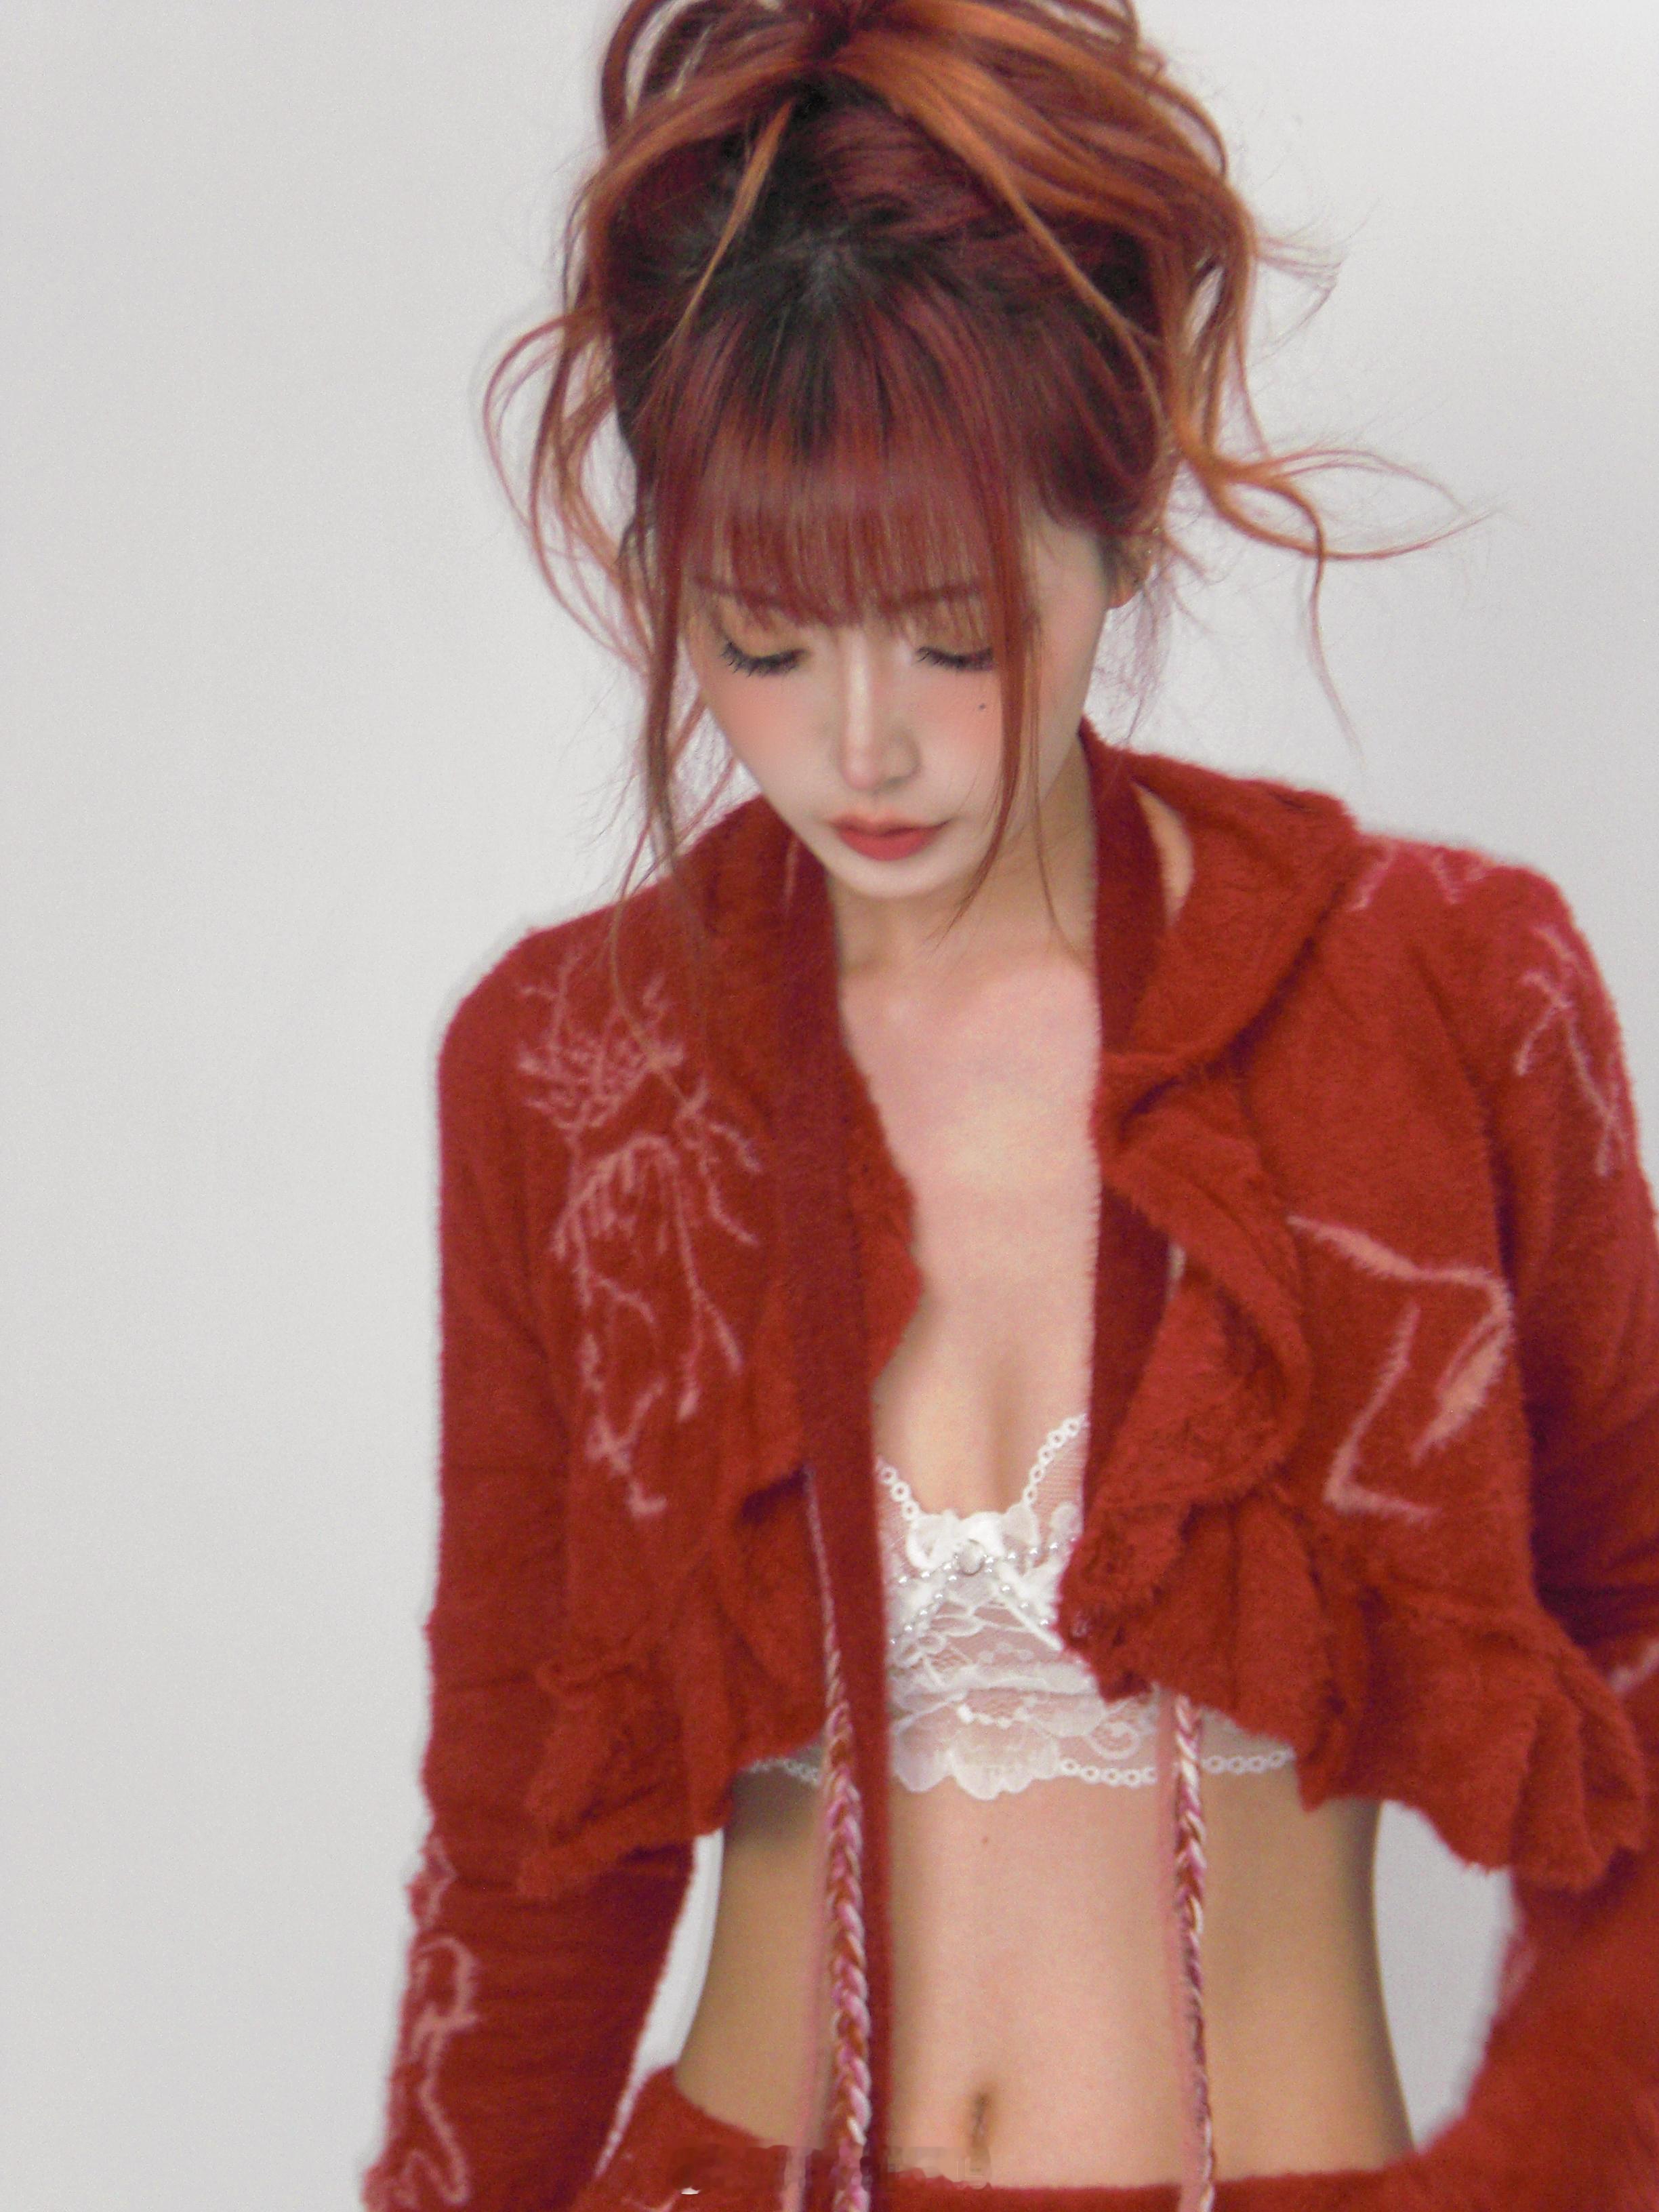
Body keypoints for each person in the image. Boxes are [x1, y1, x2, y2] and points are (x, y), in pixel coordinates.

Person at [362, 4, 1659, 2211]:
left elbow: (1640, 1658)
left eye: (956, 637)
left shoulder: (1443, 992)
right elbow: (520, 1845)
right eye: (765, 643)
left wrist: (1523, 2180)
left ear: (1121, 526)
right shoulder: (568, 1066)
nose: (862, 745)